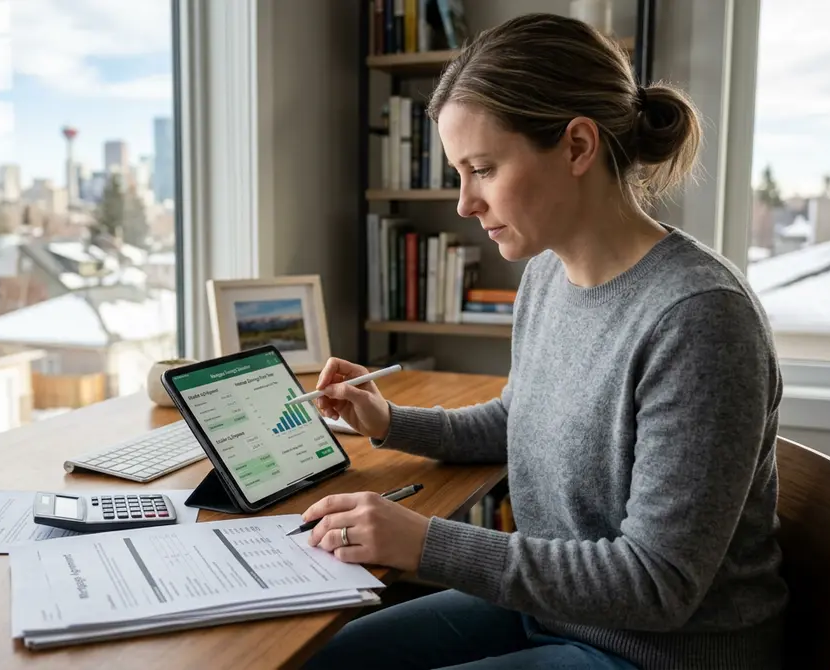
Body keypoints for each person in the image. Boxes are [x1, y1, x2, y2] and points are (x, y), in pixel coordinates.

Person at [298, 12, 788, 670]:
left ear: (578, 147)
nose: (465, 203)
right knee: (326, 658)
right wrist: (388, 420)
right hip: (555, 613)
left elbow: (657, 584)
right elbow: (521, 417)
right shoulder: (548, 275)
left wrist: (425, 545)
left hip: (658, 652)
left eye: (483, 168)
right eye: (459, 173)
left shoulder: (700, 319)